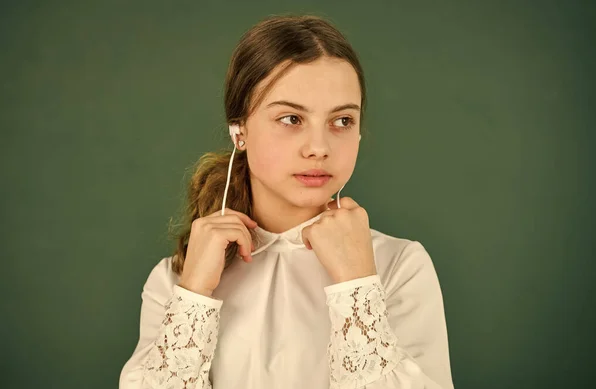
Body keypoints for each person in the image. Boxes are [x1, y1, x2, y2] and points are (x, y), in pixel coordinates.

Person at [119, 14, 454, 389]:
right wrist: (194, 292)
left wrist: (356, 284)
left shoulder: (400, 267)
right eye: (291, 118)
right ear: (240, 130)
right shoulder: (177, 279)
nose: (318, 148)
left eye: (342, 121)